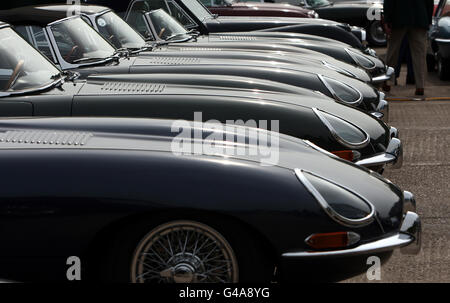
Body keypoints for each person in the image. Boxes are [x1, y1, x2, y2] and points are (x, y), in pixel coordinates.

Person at [383, 0, 435, 96]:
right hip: (419, 17)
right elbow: (429, 2)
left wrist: (387, 19)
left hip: (398, 18)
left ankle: (388, 81)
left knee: (392, 53)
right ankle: (420, 85)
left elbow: (389, 2)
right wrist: (428, 19)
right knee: (420, 55)